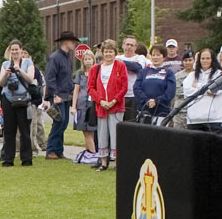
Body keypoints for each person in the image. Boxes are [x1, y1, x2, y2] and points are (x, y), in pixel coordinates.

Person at [85, 39, 127, 170]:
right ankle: (103, 162)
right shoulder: (95, 69)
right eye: (106, 52)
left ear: (115, 53)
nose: (108, 54)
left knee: (116, 134)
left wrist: (114, 100)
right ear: (102, 53)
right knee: (102, 134)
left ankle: (116, 162)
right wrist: (101, 101)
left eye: (111, 52)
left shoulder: (120, 66)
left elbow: (124, 86)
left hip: (116, 106)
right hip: (101, 107)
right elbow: (90, 88)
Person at [0, 40, 39, 165]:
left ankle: (26, 159)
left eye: (16, 49)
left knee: (24, 130)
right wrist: (6, 75)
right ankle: (8, 159)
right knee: (9, 130)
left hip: (23, 99)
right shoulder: (5, 64)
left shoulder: (28, 62)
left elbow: (30, 79)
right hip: (8, 99)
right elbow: (1, 83)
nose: (14, 52)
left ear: (21, 50)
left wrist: (19, 70)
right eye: (12, 49)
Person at [43, 31, 79, 158]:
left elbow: (68, 78)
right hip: (58, 95)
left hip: (65, 95)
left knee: (63, 123)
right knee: (59, 121)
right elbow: (50, 77)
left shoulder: (67, 59)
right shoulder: (55, 57)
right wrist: (54, 94)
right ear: (65, 42)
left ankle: (58, 150)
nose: (74, 43)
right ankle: (51, 150)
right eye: (72, 41)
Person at [181, 47, 222, 135]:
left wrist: (197, 86)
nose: (205, 61)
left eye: (207, 58)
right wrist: (207, 90)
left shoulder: (219, 74)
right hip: (194, 120)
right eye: (203, 58)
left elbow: (216, 90)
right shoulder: (192, 75)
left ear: (212, 59)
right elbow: (187, 91)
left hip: (214, 120)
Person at [134, 44, 174, 123]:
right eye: (153, 55)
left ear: (163, 57)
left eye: (158, 55)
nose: (155, 57)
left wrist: (156, 101)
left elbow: (170, 92)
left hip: (161, 112)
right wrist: (146, 100)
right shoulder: (144, 71)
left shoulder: (169, 73)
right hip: (144, 111)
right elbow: (136, 88)